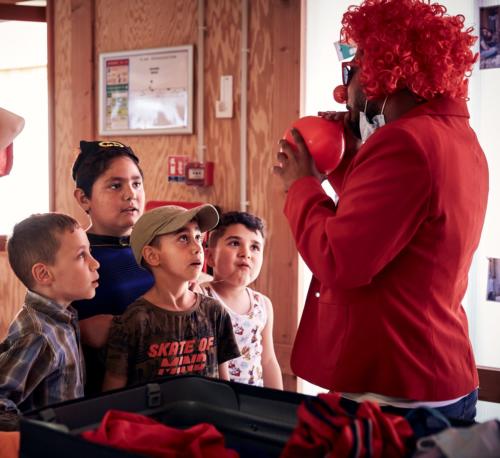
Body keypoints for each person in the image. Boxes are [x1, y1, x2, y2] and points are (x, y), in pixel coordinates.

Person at [273, 0, 488, 421]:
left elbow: (341, 259)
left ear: (382, 73)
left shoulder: (404, 143)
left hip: (397, 388)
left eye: (351, 69)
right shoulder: (457, 136)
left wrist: (301, 184)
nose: (345, 89)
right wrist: (351, 159)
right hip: (436, 374)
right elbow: (389, 225)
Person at [102, 205, 240, 390]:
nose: (198, 248)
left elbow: (224, 387)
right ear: (152, 255)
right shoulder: (134, 321)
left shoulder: (214, 311)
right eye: (183, 238)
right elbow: (113, 394)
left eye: (198, 237)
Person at [0, 213, 99, 430]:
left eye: (90, 252)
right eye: (82, 256)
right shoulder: (37, 335)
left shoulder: (64, 318)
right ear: (44, 274)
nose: (95, 263)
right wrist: (41, 433)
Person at [71, 140, 154, 395]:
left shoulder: (157, 249)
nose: (131, 194)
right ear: (84, 198)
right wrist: (79, 329)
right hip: (101, 392)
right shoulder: (72, 256)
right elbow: (44, 323)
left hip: (162, 384)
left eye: (136, 183)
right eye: (115, 185)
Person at [202, 211, 283, 389]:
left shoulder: (263, 305)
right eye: (234, 243)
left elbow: (268, 361)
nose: (245, 253)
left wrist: (279, 403)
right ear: (209, 257)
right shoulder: (201, 297)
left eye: (255, 247)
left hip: (255, 401)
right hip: (217, 399)